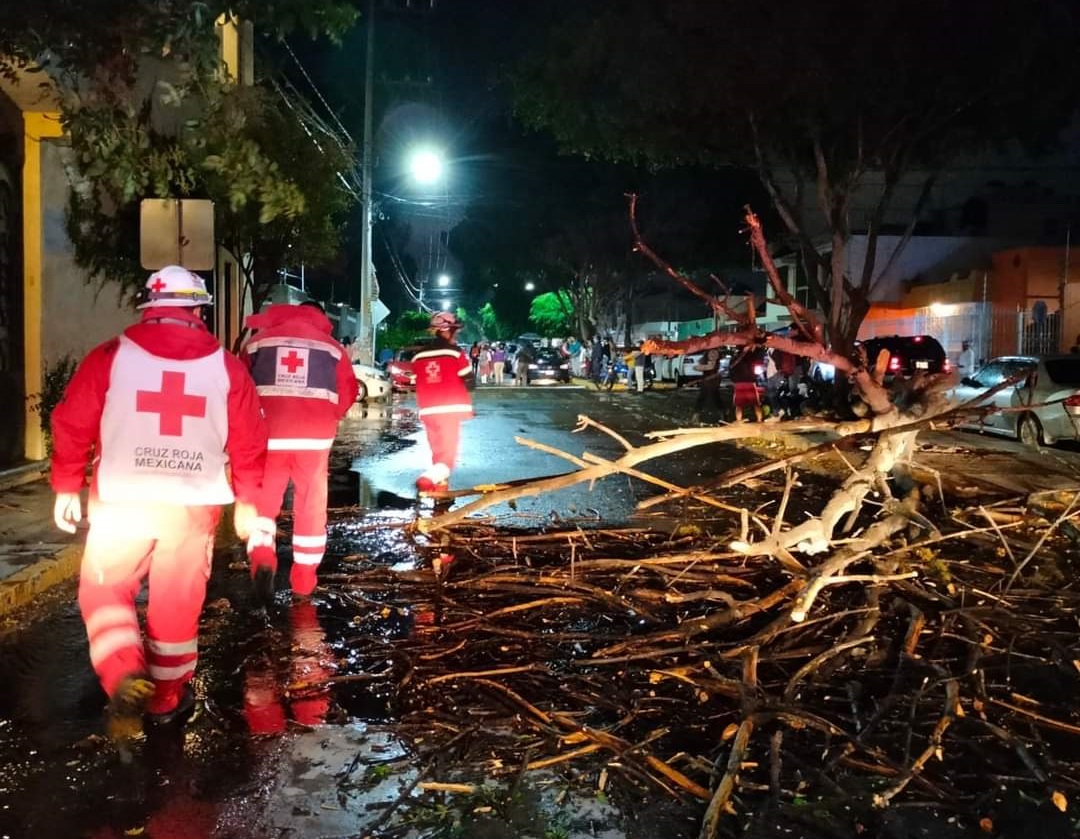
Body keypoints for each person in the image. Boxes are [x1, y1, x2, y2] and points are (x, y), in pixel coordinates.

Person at [49, 265, 268, 743]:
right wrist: (250, 502)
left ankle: (124, 674)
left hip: (123, 498)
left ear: (148, 307)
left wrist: (66, 484)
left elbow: (72, 420)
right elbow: (251, 440)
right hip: (192, 506)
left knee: (105, 594)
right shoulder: (226, 367)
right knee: (176, 604)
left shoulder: (111, 356)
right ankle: (167, 700)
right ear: (198, 310)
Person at [241, 301, 358, 600]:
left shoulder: (257, 342)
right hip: (313, 439)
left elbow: (239, 387)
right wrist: (328, 416)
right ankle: (304, 580)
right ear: (319, 317)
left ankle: (263, 557)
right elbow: (348, 391)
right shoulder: (332, 347)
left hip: (267, 435)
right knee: (310, 505)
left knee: (264, 501)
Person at [413, 312, 474, 492]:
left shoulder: (418, 356)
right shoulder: (455, 353)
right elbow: (469, 380)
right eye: (455, 330)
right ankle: (426, 479)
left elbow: (417, 379)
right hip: (449, 411)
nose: (457, 334)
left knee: (438, 453)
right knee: (447, 457)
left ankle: (441, 491)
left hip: (428, 411)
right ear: (447, 330)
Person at [730, 349, 764, 423]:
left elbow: (731, 371)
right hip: (750, 383)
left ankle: (739, 421)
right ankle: (759, 420)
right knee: (756, 403)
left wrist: (734, 380)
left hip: (738, 384)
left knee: (738, 405)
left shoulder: (734, 358)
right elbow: (757, 368)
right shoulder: (752, 357)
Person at [691, 347, 723, 423]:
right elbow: (696, 367)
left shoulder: (716, 363)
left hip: (714, 382)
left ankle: (722, 416)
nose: (713, 354)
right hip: (706, 383)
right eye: (711, 353)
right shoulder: (706, 362)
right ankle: (695, 417)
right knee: (702, 398)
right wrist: (706, 367)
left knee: (716, 398)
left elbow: (712, 367)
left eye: (715, 353)